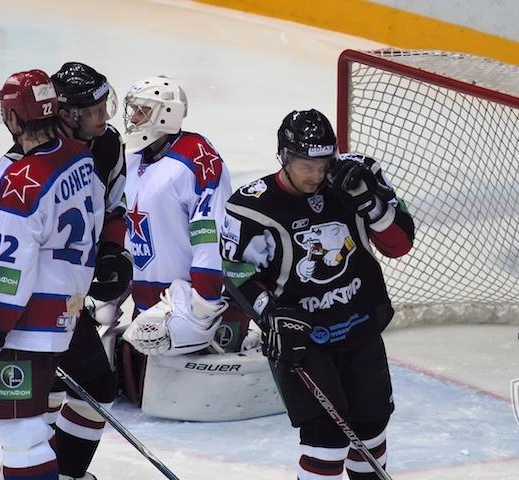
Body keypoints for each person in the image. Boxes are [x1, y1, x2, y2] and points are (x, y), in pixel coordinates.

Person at [220, 109, 415, 479]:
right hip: (300, 337)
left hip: (358, 325)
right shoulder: (252, 207)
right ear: (283, 156)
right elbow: (235, 273)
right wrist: (269, 315)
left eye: (323, 163)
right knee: (326, 441)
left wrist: (369, 202)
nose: (314, 174)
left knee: (371, 430)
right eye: (304, 164)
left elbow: (399, 244)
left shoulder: (362, 176)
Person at [0, 69, 105, 479]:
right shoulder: (81, 160)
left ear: (13, 118)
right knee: (30, 427)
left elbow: (10, 267)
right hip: (66, 313)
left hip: (22, 322)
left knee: (22, 434)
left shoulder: (20, 181)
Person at [120, 76, 246, 382]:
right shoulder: (130, 157)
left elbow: (209, 231)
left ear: (167, 114)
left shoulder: (197, 157)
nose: (133, 118)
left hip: (185, 302)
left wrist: (205, 302)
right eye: (133, 110)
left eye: (142, 111)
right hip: (146, 303)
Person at [48, 62, 131, 480]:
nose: (105, 117)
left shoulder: (108, 144)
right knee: (43, 397)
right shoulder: (30, 154)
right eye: (95, 110)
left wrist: (114, 253)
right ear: (66, 114)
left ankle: (62, 472)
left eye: (105, 106)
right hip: (31, 300)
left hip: (70, 297)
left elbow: (114, 207)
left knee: (95, 388)